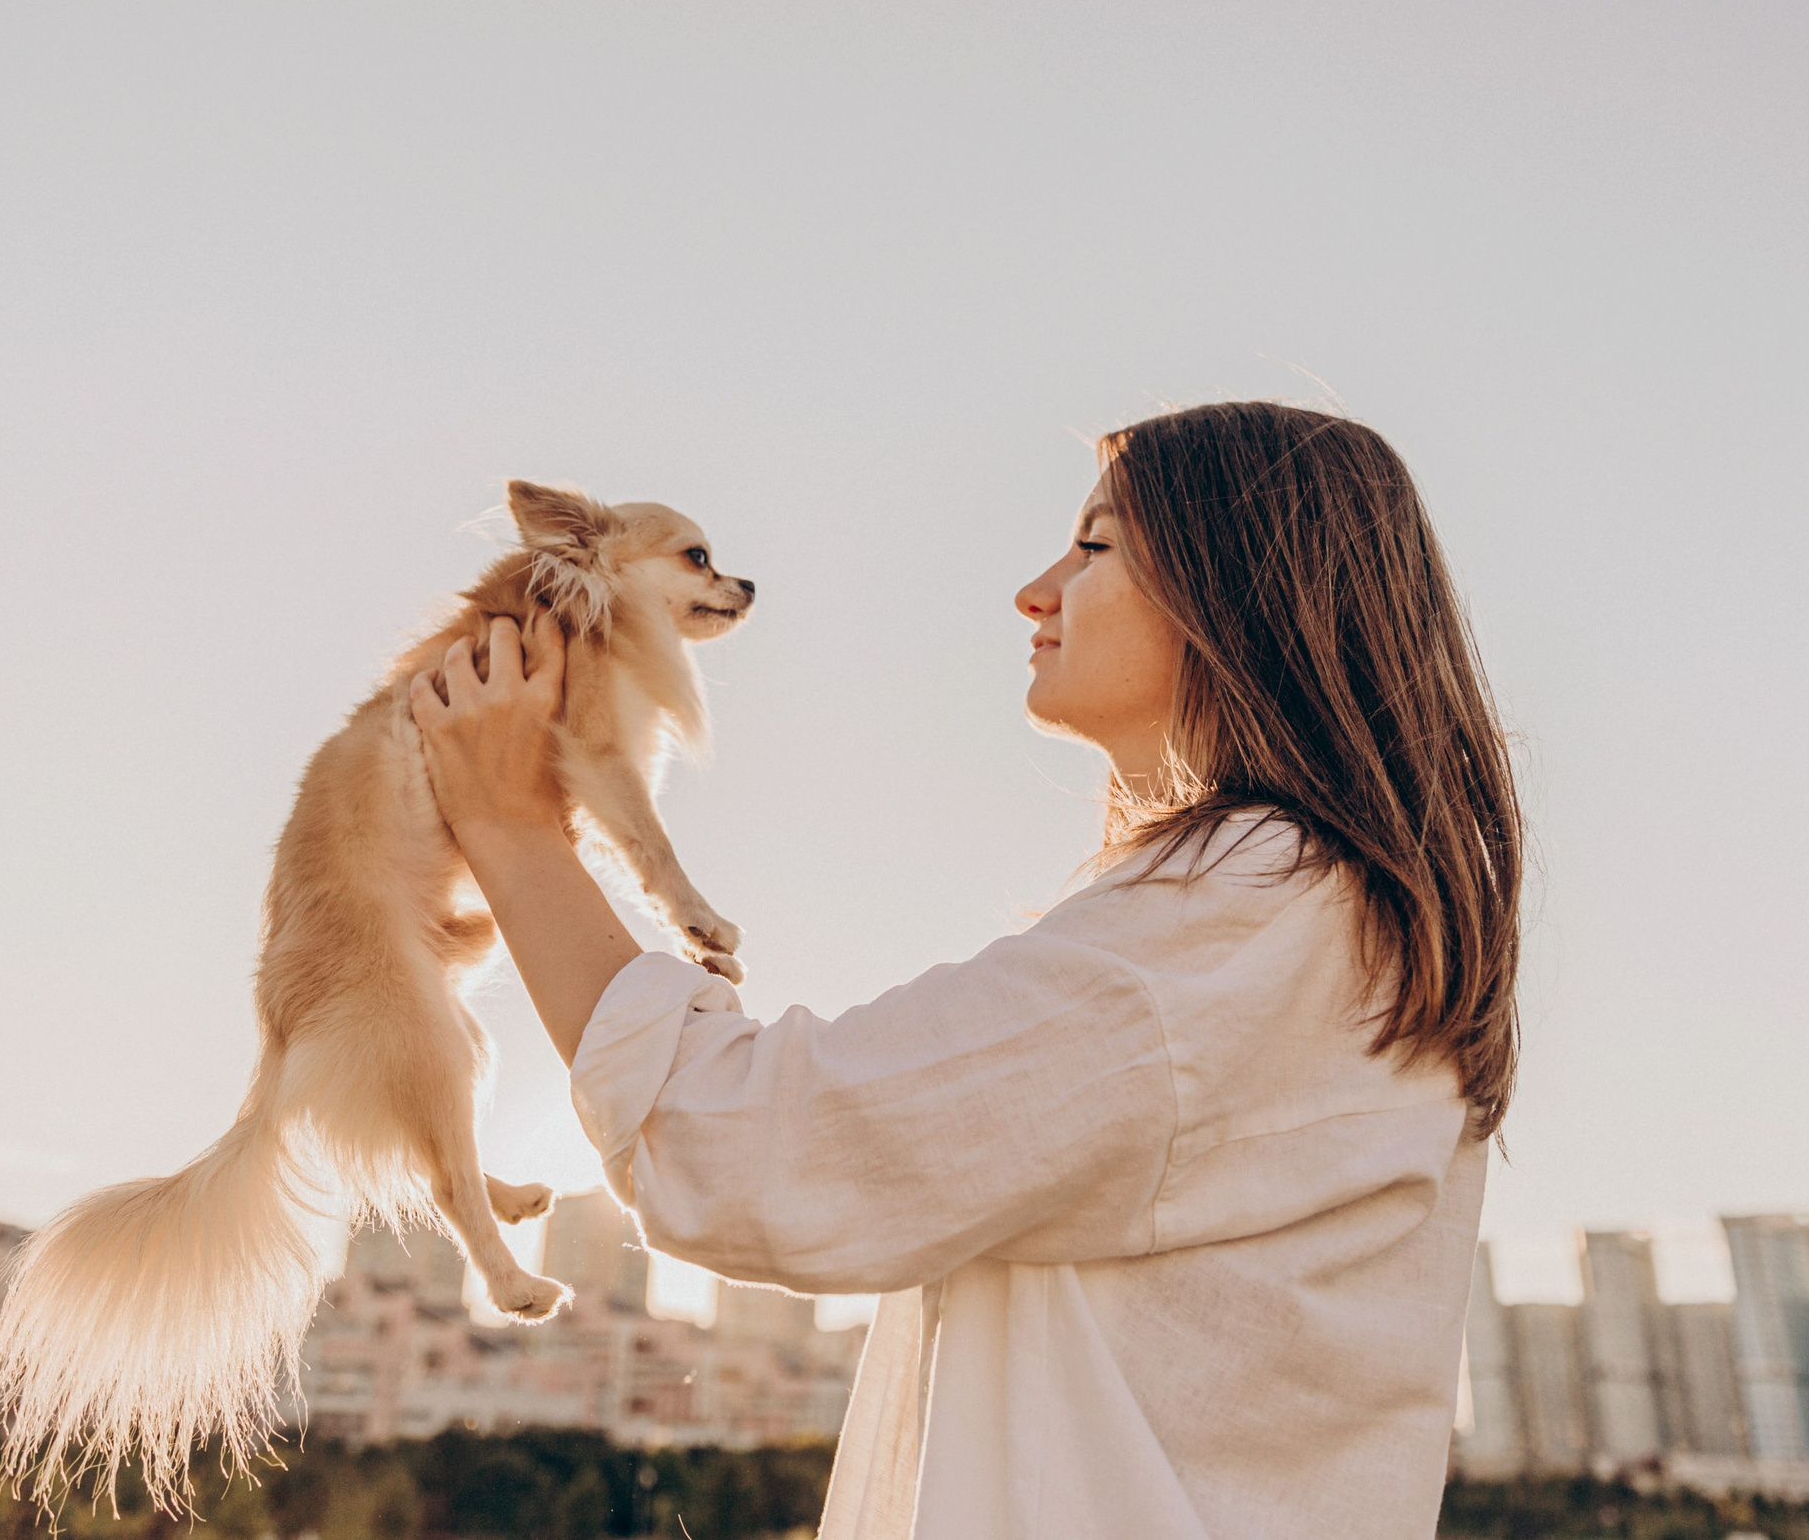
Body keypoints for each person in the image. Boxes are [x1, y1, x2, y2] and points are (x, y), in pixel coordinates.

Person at [408, 401, 1524, 1540]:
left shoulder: (1242, 915)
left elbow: (745, 1146)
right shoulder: (1326, 917)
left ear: (1238, 591)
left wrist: (511, 827)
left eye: (1094, 545)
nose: (1035, 592)